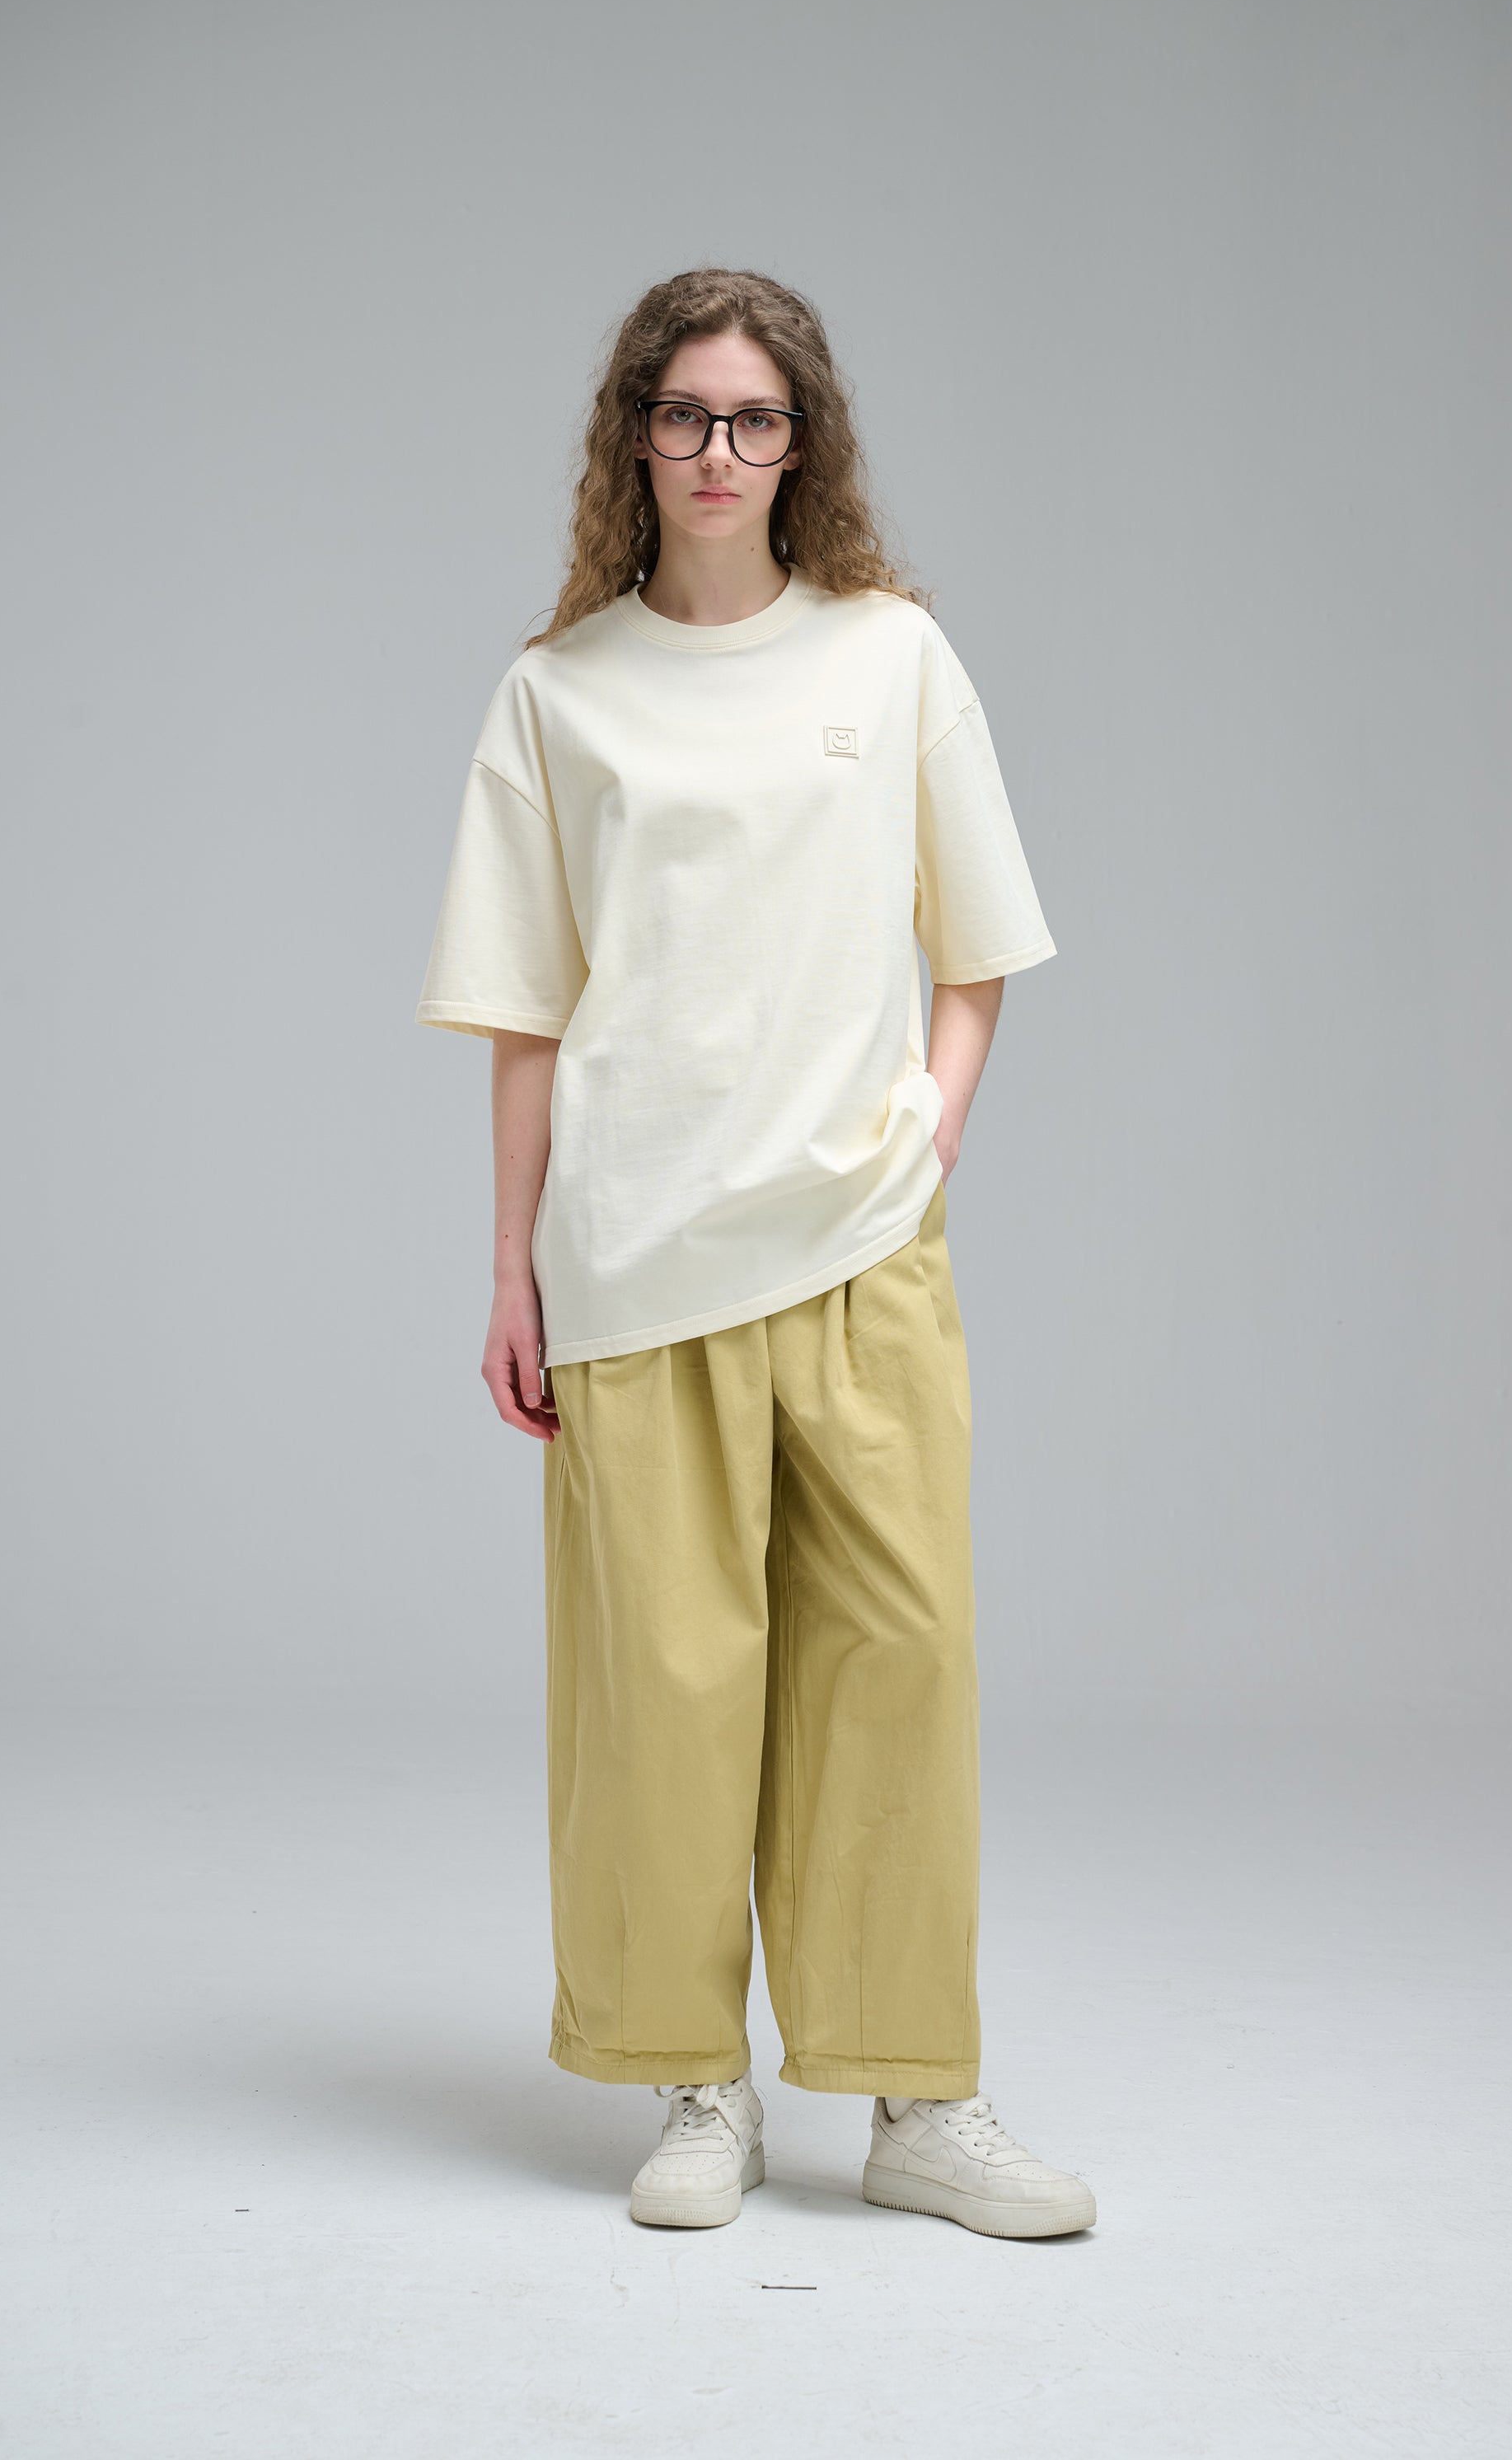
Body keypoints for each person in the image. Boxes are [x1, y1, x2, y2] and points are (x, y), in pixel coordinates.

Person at [416, 267, 1096, 2242]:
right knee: (664, 1692)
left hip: (860, 1245)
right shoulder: (558, 693)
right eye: (686, 414)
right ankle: (693, 2086)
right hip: (633, 1254)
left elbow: (976, 950)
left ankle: (914, 2100)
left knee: (901, 1662)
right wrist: (510, 1271)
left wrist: (924, 1132)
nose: (719, 451)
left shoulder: (891, 659)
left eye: (757, 418)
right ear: (635, 433)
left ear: (804, 445)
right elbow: (524, 1012)